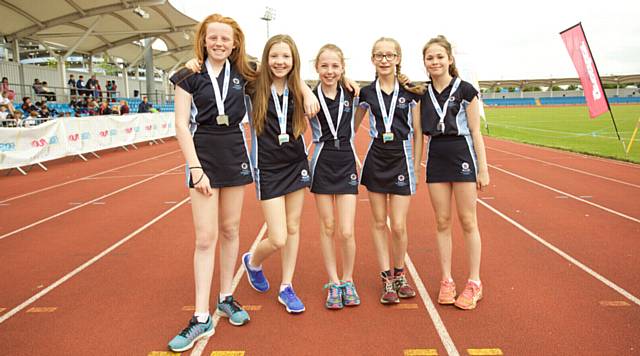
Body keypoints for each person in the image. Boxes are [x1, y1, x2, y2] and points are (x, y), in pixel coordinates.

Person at [166, 13, 259, 353]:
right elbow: (179, 125)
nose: (219, 43)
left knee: (231, 230)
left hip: (234, 150)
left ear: (235, 43)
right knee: (206, 238)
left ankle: (225, 298)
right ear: (203, 40)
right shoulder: (188, 75)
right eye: (213, 37)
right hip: (202, 153)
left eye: (226, 38)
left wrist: (309, 93)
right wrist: (195, 169)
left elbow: (284, 77)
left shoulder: (246, 74)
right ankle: (201, 315)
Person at [240, 34, 312, 315]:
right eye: (274, 56)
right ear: (265, 59)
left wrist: (305, 89)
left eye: (285, 56)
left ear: (293, 60)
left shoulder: (297, 90)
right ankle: (253, 261)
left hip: (296, 163)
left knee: (293, 228)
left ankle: (286, 286)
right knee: (278, 236)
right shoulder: (251, 88)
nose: (280, 62)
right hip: (267, 166)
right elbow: (226, 65)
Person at [417, 35, 489, 310]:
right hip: (436, 156)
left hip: (461, 154)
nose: (434, 62)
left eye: (439, 56)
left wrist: (483, 169)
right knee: (442, 221)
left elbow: (475, 132)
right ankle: (447, 279)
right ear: (424, 63)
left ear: (449, 59)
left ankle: (474, 282)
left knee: (468, 220)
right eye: (429, 58)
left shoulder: (466, 90)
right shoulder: (421, 92)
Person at [354, 37, 423, 304]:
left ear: (397, 59)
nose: (384, 60)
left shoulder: (410, 92)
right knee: (379, 222)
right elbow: (348, 126)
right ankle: (386, 279)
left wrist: (416, 167)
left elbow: (418, 133)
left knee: (400, 224)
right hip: (376, 159)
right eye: (379, 55)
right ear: (373, 59)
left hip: (402, 159)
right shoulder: (366, 93)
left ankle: (400, 273)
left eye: (389, 55)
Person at [309, 44, 361, 309]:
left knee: (346, 230)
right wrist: (305, 89)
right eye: (324, 66)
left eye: (335, 66)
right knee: (328, 227)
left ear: (342, 68)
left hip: (346, 162)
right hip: (321, 161)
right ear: (316, 68)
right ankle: (333, 282)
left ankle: (348, 279)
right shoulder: (308, 96)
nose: (329, 71)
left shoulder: (352, 93)